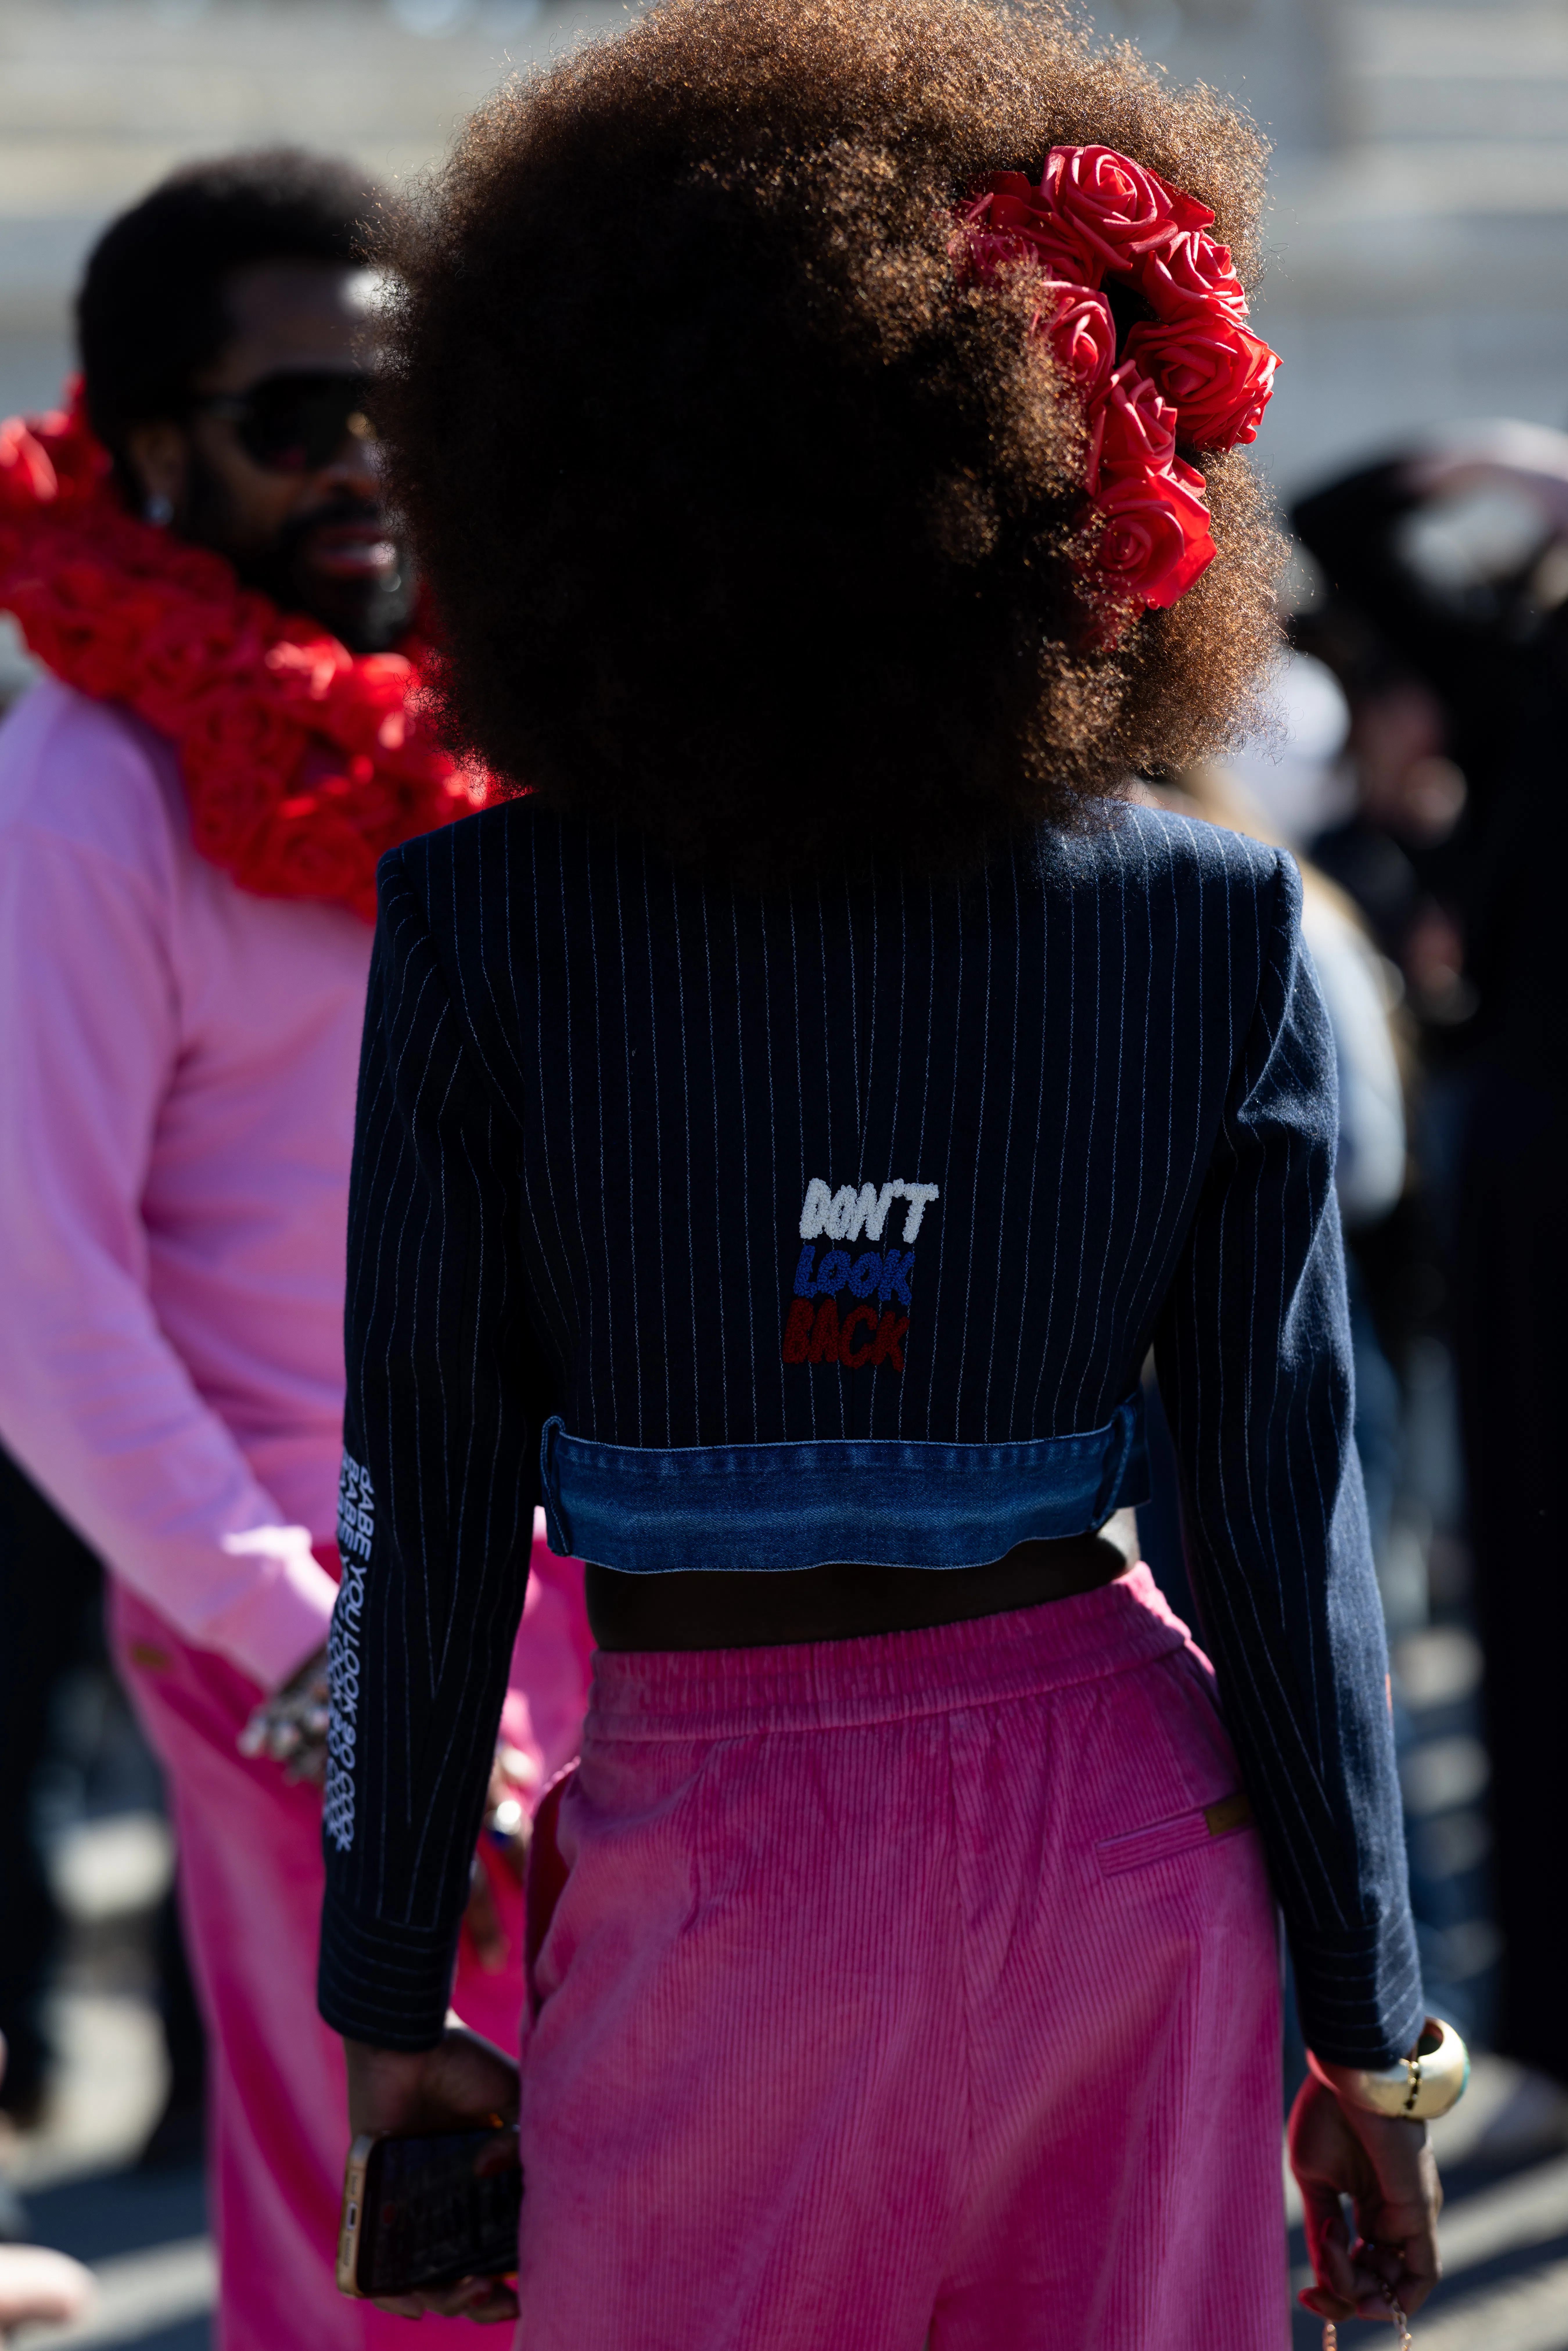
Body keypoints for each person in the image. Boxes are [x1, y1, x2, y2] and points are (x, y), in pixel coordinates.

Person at [317, 6, 1452, 2343]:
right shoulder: (1202, 917)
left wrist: (385, 1988)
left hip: (709, 1866)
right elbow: (1273, 1504)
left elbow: (422, 1494)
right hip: (1134, 1842)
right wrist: (1368, 2022)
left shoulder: (484, 924)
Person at [0, 150, 589, 2349]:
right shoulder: (85, 790)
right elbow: (37, 1300)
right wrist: (319, 1662)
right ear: (148, 447)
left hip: (578, 1579)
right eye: (294, 416)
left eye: (400, 409)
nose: (364, 466)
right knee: (407, 2254)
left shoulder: (495, 732)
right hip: (305, 1628)